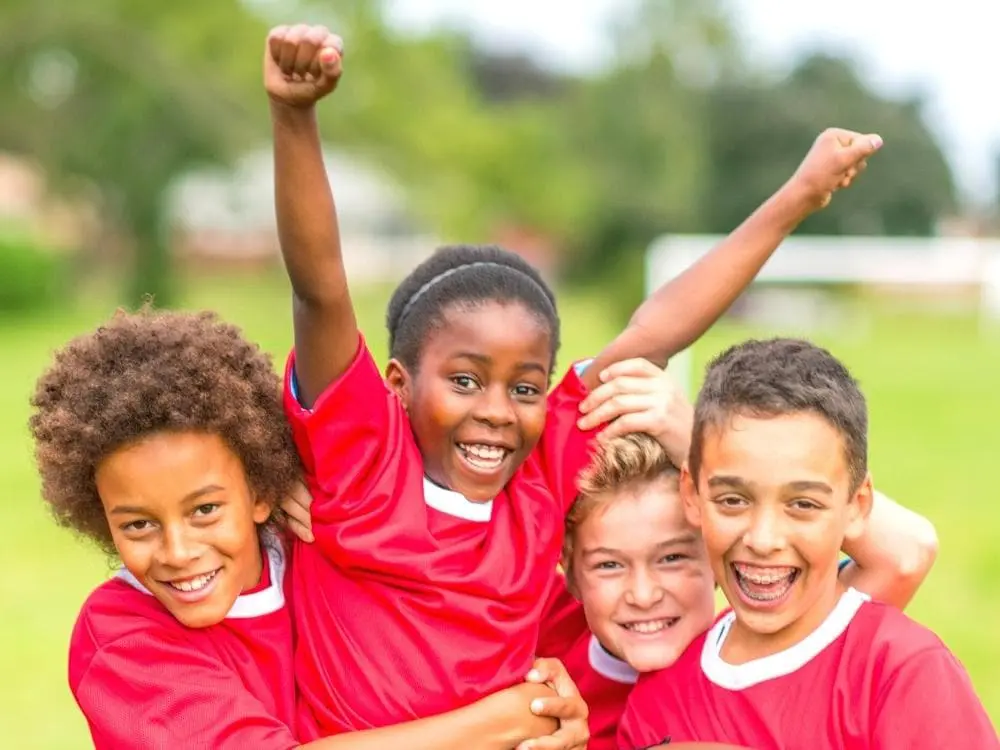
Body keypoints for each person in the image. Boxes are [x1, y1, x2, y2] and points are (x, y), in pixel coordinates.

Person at [264, 21, 882, 736]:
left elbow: (659, 328)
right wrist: (294, 116)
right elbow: (320, 290)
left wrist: (797, 198)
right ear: (397, 385)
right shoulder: (363, 464)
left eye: (526, 388)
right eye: (465, 382)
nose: (497, 411)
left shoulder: (539, 478)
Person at [30, 307, 588, 750]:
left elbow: (544, 643)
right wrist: (501, 722)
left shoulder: (322, 549)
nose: (178, 551)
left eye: (205, 510)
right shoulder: (122, 635)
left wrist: (557, 706)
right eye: (139, 524)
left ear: (261, 489)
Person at [536, 359, 939, 750]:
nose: (643, 595)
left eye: (673, 558)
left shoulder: (774, 636)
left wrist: (701, 442)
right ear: (567, 566)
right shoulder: (541, 627)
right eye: (609, 565)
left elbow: (907, 552)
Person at [617, 339, 997, 749]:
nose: (763, 540)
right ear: (692, 494)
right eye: (733, 500)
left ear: (857, 505)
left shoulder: (901, 669)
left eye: (802, 504)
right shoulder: (659, 696)